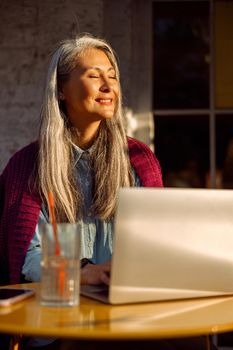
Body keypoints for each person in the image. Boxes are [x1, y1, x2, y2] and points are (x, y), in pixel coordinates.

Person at [0, 34, 214, 350]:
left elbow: (156, 244)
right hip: (60, 321)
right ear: (61, 90)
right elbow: (26, 257)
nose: (108, 86)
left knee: (193, 342)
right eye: (93, 76)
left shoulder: (140, 160)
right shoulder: (27, 165)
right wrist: (83, 272)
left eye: (112, 76)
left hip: (131, 314)